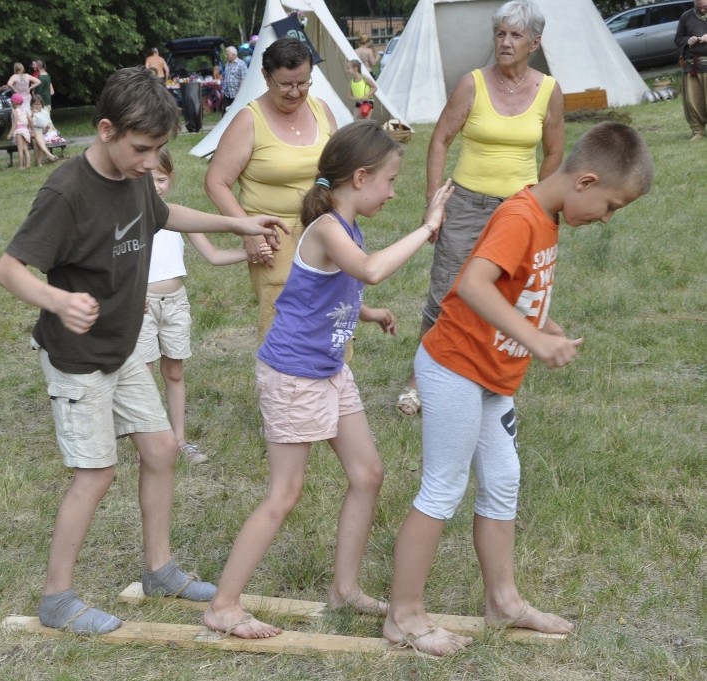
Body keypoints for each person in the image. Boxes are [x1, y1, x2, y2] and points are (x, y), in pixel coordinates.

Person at [0, 66, 288, 635]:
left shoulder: (136, 177)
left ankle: (159, 570)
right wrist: (56, 299)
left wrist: (239, 223)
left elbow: (164, 216)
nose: (152, 163)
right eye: (142, 149)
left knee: (160, 449)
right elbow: (8, 267)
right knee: (95, 474)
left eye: (158, 151)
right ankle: (57, 599)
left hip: (121, 346)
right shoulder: (66, 190)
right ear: (105, 130)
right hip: (77, 357)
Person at [383, 122, 654, 656]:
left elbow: (515, 288)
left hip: (492, 376)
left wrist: (542, 324)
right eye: (611, 206)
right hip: (456, 366)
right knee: (443, 487)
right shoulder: (521, 215)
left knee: (503, 481)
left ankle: (503, 602)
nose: (606, 219)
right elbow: (472, 284)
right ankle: (404, 615)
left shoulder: (546, 218)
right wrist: (533, 338)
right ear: (586, 181)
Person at [203, 120, 455, 639]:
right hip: (294, 374)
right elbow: (367, 270)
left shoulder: (345, 224)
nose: (392, 191)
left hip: (329, 369)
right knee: (285, 492)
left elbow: (319, 291)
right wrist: (428, 229)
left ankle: (344, 588)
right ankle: (223, 605)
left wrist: (367, 312)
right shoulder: (327, 229)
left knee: (367, 474)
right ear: (360, 177)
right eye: (389, 181)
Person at [394, 0, 564, 416]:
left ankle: (484, 376)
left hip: (518, 210)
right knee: (446, 290)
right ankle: (419, 379)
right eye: (500, 34)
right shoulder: (472, 84)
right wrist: (434, 203)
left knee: (510, 294)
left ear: (535, 43)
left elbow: (555, 151)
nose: (505, 42)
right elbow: (439, 141)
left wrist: (540, 207)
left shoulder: (548, 90)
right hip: (466, 203)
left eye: (515, 35)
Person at [138, 147, 273, 465]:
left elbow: (213, 256)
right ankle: (148, 445)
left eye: (160, 179)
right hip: (140, 306)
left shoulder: (179, 217)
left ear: (169, 179)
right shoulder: (128, 220)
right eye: (146, 178)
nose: (154, 186)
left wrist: (251, 252)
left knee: (174, 371)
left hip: (175, 305)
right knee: (141, 377)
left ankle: (179, 440)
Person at [205, 37, 339, 341]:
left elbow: (339, 168)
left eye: (303, 83)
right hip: (274, 240)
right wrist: (248, 231)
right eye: (285, 84)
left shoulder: (322, 111)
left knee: (331, 319)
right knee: (284, 327)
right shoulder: (249, 120)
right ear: (266, 77)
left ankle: (332, 385)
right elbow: (216, 182)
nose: (295, 92)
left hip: (323, 231)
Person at [675, 0, 707, 141]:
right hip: (693, 66)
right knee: (693, 101)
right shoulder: (686, 17)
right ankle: (697, 131)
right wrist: (688, 40)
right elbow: (678, 39)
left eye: (705, 7)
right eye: (699, 7)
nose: (702, 10)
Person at [29, 94, 62, 165]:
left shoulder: (44, 112)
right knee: (36, 132)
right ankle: (48, 154)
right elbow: (27, 125)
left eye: (39, 104)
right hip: (29, 133)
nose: (37, 106)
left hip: (40, 134)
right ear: (31, 104)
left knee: (35, 141)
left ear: (42, 104)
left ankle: (39, 163)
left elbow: (44, 129)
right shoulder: (28, 112)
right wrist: (32, 115)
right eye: (35, 104)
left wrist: (47, 128)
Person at [7, 93, 31, 169]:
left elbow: (14, 123)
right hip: (25, 130)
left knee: (20, 150)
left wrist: (10, 134)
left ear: (14, 102)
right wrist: (31, 128)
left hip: (19, 131)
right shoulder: (25, 110)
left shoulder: (14, 111)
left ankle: (21, 166)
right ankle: (28, 165)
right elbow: (30, 120)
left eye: (11, 102)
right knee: (26, 149)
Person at [220, 45, 248, 113]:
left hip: (237, 96)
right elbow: (226, 79)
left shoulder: (242, 64)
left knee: (236, 115)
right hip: (227, 95)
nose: (226, 56)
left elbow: (243, 81)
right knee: (225, 115)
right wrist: (223, 91)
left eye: (227, 54)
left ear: (233, 55)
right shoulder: (227, 64)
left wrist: (240, 95)